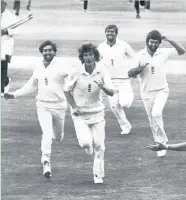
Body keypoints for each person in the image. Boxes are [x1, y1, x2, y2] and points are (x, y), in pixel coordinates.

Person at [4, 40, 71, 179]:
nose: (47, 53)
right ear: (42, 52)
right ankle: (46, 162)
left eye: (50, 50)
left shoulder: (61, 66)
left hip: (59, 105)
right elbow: (31, 86)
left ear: (54, 52)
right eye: (45, 50)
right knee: (46, 133)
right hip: (42, 105)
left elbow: (72, 76)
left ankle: (52, 139)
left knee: (58, 137)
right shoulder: (38, 67)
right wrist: (14, 94)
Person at [128, 30, 185, 157]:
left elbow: (182, 51)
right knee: (152, 120)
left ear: (159, 43)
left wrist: (169, 39)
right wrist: (140, 68)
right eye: (151, 42)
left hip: (161, 90)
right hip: (146, 93)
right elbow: (130, 74)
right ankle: (159, 143)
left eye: (156, 42)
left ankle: (163, 143)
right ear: (147, 42)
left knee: (156, 113)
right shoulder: (140, 55)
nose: (153, 44)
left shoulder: (163, 52)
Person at [64, 43, 114, 184]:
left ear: (95, 56)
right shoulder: (76, 72)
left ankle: (97, 175)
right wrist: (74, 107)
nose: (88, 57)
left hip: (97, 113)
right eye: (85, 55)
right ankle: (88, 146)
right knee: (86, 143)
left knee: (99, 145)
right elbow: (66, 91)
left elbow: (111, 92)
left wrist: (102, 86)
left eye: (90, 54)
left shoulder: (102, 71)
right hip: (80, 114)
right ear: (82, 58)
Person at [98, 24, 136, 135]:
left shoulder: (123, 45)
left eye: (112, 32)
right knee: (114, 106)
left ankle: (128, 99)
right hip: (109, 80)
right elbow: (96, 61)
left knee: (125, 103)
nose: (110, 33)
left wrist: (133, 69)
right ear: (105, 33)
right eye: (108, 31)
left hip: (123, 79)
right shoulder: (101, 47)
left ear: (116, 33)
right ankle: (125, 126)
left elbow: (134, 56)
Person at [1, 0, 18, 96]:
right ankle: (5, 81)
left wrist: (7, 31)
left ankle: (2, 86)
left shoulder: (11, 16)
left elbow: (17, 30)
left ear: (4, 5)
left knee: (3, 65)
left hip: (6, 45)